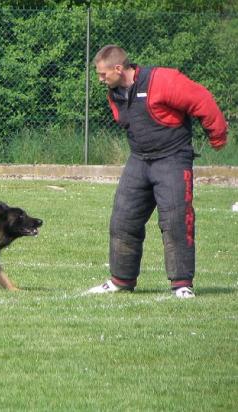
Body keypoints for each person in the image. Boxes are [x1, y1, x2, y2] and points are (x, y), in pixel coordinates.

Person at [86, 45, 227, 298]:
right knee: (123, 220)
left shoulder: (163, 80)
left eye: (103, 74)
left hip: (172, 159)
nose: (100, 79)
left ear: (118, 68)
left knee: (176, 221)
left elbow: (201, 99)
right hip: (139, 160)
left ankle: (182, 285)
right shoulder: (115, 92)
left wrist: (217, 136)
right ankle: (121, 280)